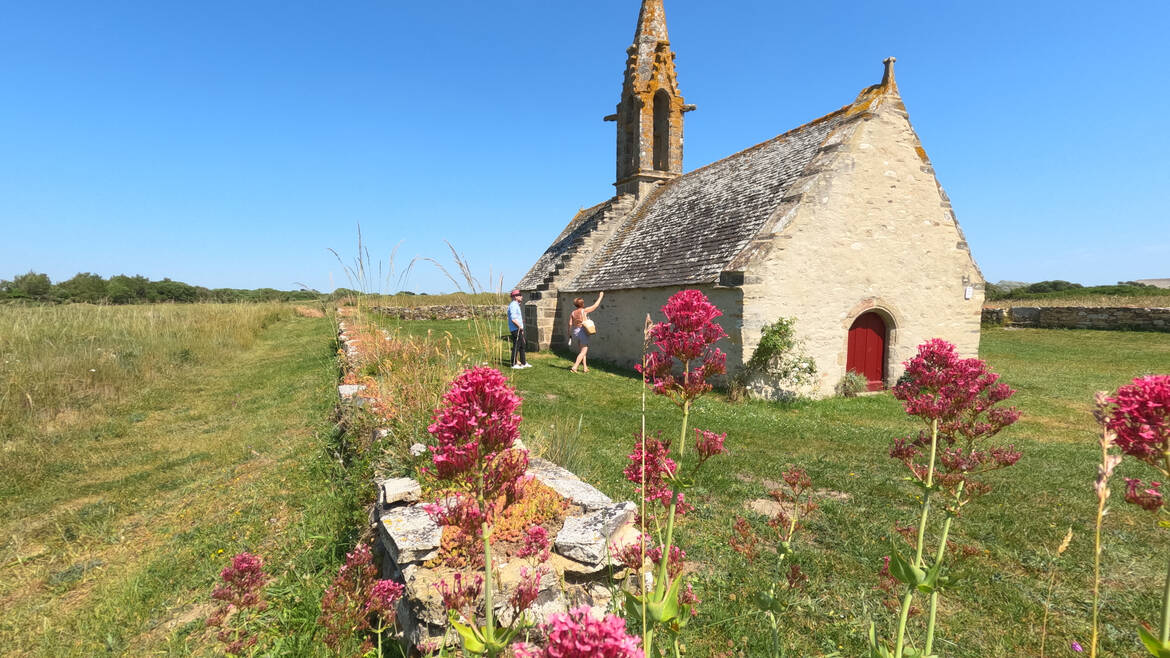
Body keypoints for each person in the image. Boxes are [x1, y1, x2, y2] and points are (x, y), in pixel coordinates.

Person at [568, 291, 603, 373]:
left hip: (576, 331)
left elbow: (570, 324)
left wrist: (569, 333)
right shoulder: (584, 310)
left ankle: (585, 368)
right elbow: (595, 305)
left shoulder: (573, 313)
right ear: (582, 304)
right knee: (584, 351)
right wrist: (600, 296)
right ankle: (574, 367)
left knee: (582, 350)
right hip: (583, 331)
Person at [506, 289, 530, 369]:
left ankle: (523, 363)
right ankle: (513, 364)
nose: (521, 296)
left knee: (522, 345)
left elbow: (516, 317)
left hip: (518, 328)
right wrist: (519, 326)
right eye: (520, 295)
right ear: (515, 297)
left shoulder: (516, 304)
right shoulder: (513, 305)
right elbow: (513, 319)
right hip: (515, 329)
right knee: (516, 346)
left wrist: (521, 323)